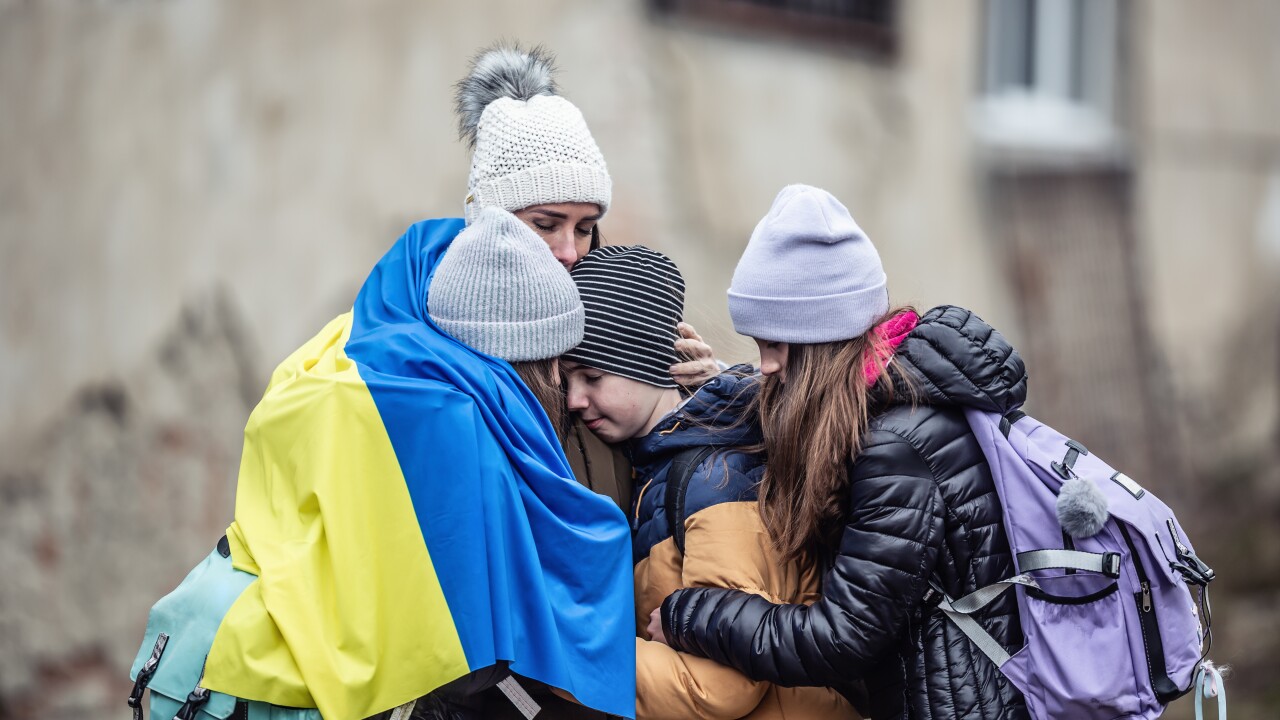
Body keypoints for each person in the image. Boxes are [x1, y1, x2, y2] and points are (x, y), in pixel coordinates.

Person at [651, 185, 1032, 720]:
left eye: (774, 346)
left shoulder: (895, 448)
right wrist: (720, 387)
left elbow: (842, 636)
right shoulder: (892, 398)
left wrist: (689, 614)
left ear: (820, 340)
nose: (763, 366)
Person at [560, 245, 859, 720]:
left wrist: (553, 655)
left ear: (644, 361)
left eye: (592, 377)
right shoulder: (659, 472)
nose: (575, 399)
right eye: (566, 381)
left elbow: (718, 687)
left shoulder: (713, 479)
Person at [451, 42, 718, 510]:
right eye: (545, 224)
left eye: (586, 228)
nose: (569, 252)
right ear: (490, 220)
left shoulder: (602, 304)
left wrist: (698, 405)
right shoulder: (443, 343)